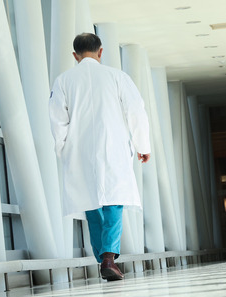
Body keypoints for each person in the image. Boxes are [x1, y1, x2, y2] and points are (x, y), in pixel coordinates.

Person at [49, 33, 151, 281]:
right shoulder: (117, 77)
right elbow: (135, 110)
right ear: (101, 52)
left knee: (92, 204)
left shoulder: (63, 81)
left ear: (75, 55)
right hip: (113, 147)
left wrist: (63, 149)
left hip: (79, 151)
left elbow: (57, 120)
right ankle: (108, 257)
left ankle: (104, 259)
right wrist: (142, 145)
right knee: (114, 201)